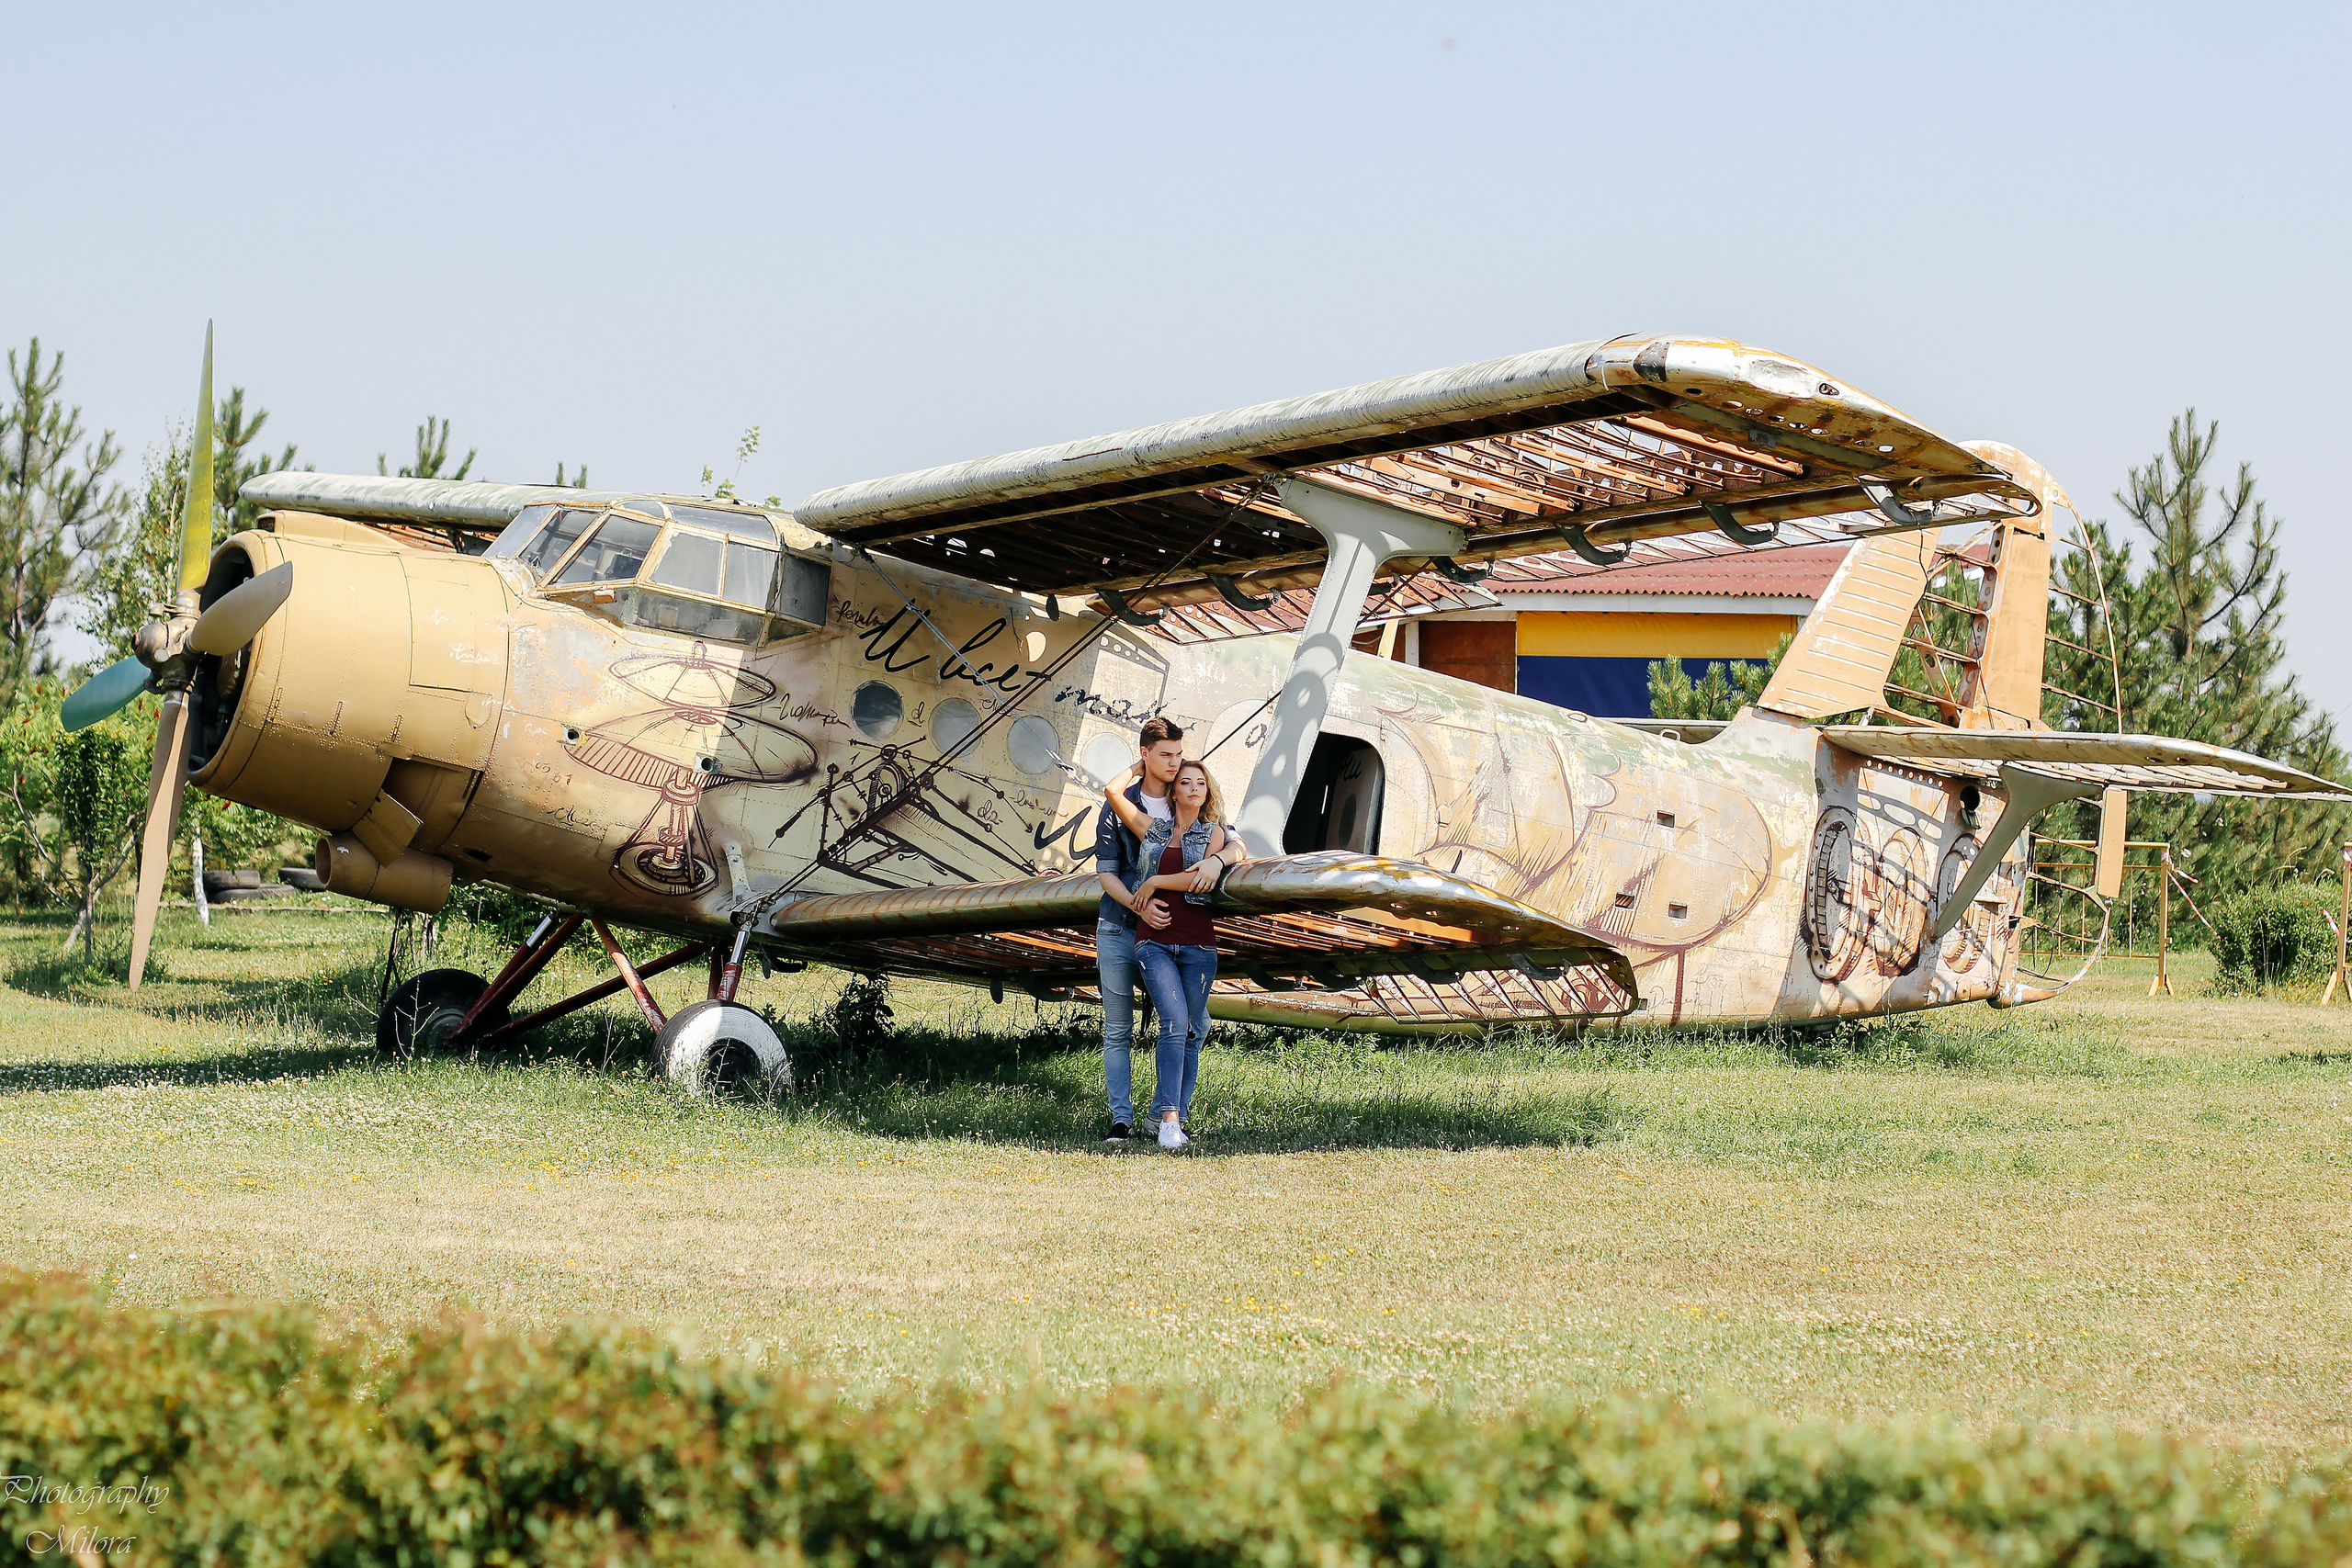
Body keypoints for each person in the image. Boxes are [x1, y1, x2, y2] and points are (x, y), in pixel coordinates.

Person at [1100, 757, 1247, 1150]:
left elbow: (1200, 881)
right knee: (1175, 1019)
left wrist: (1158, 881)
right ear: (1174, 791)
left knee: (1192, 1028)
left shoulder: (1214, 835)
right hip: (1153, 939)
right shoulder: (1153, 829)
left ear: (1207, 791)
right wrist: (1139, 765)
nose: (1194, 788)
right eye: (1186, 782)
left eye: (1201, 782)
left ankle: (1174, 1116)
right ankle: (1167, 1120)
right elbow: (1112, 792)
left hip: (1198, 942)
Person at [1092, 717, 1185, 1144]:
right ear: (1145, 754)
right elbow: (1107, 873)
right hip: (1117, 925)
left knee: (1184, 1022)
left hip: (1169, 932)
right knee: (1117, 1028)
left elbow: (1224, 832)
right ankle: (1121, 1120)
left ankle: (1163, 1116)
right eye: (1164, 754)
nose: (1174, 763)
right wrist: (1137, 906)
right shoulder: (1119, 805)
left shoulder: (1188, 798)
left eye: (1178, 755)